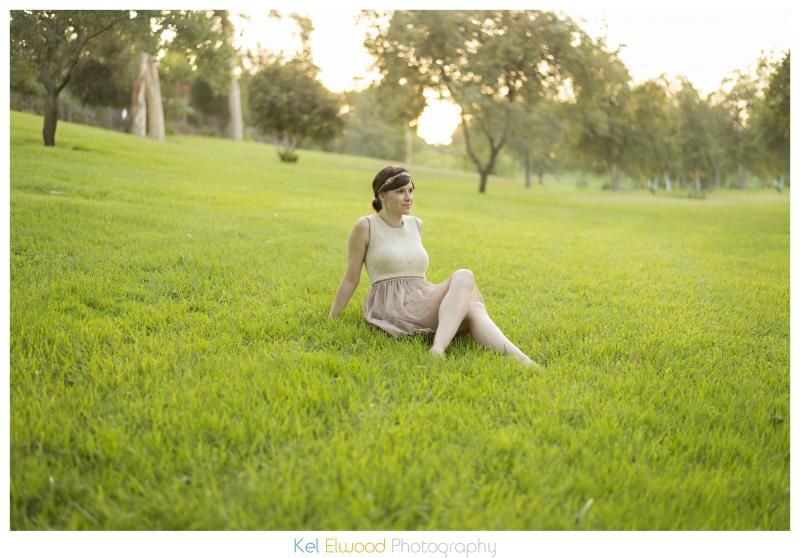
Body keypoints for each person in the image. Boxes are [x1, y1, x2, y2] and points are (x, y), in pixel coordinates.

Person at [328, 166, 538, 366]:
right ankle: (438, 348)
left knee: (473, 305)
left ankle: (524, 361)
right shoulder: (365, 226)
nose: (408, 197)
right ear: (382, 196)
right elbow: (351, 278)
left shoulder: (416, 224)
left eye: (410, 190)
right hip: (394, 303)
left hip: (421, 294)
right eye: (400, 191)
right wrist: (332, 317)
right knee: (466, 285)